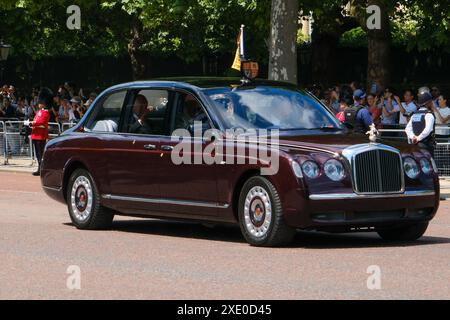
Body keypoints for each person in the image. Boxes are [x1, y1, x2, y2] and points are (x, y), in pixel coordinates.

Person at [27, 88, 52, 176]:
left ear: (44, 103)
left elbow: (40, 122)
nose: (38, 103)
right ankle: (39, 168)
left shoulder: (45, 112)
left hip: (40, 136)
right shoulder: (39, 112)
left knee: (40, 154)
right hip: (36, 135)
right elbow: (36, 121)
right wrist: (31, 123)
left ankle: (41, 169)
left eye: (40, 102)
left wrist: (32, 123)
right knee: (38, 154)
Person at [405, 89, 436, 156]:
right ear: (428, 103)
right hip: (426, 145)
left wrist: (413, 137)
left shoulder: (414, 114)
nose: (432, 103)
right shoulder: (429, 114)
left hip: (414, 145)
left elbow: (407, 128)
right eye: (431, 101)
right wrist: (418, 138)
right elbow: (428, 130)